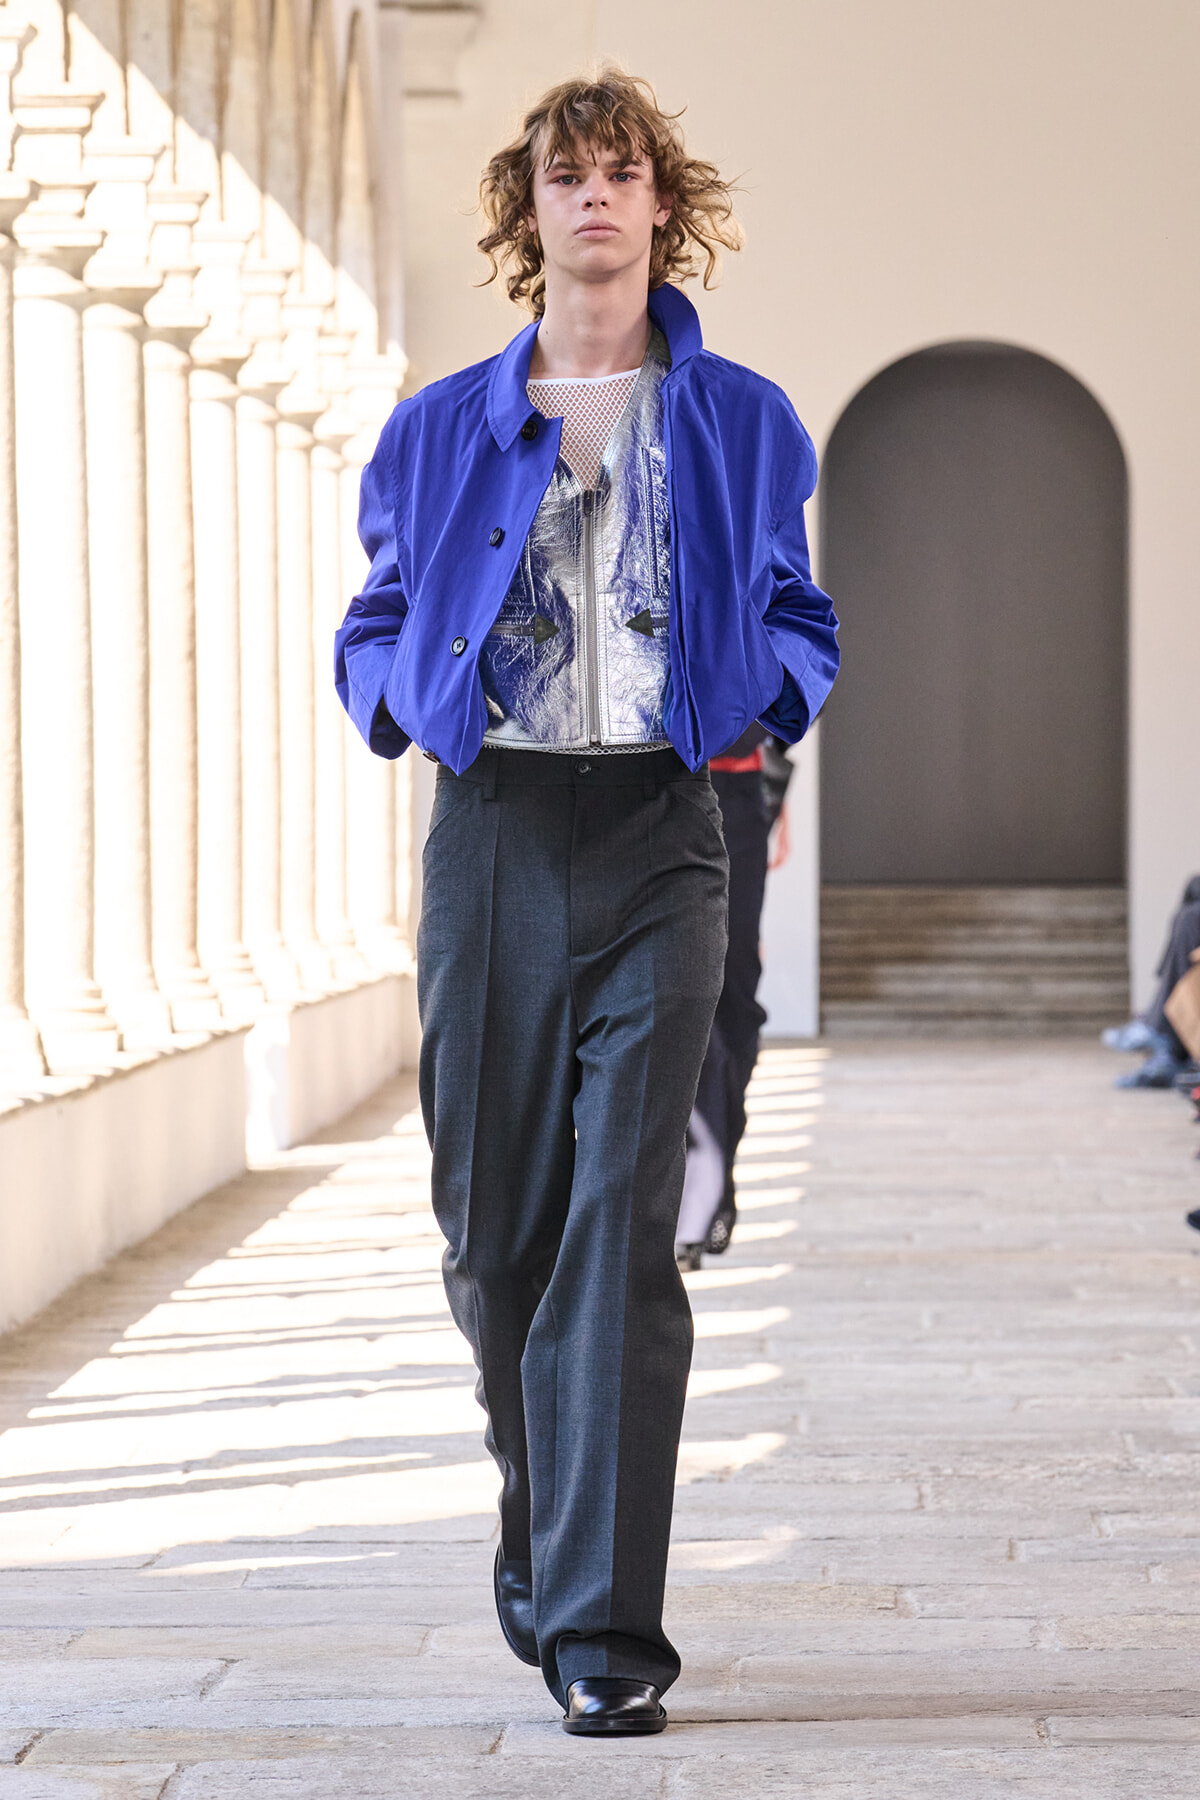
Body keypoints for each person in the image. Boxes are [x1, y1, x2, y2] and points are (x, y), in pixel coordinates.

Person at [334, 69, 838, 1737]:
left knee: (626, 1229)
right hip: (488, 832)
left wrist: (755, 698)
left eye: (624, 172)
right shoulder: (434, 425)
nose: (596, 197)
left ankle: (606, 1631)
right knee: (496, 1233)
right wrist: (400, 702)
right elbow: (376, 617)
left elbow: (800, 614)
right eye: (568, 174)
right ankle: (540, 1522)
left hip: (656, 833)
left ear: (663, 206)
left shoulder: (745, 417)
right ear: (530, 208)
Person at [675, 731, 792, 1269]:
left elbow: (789, 663)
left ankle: (716, 1172)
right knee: (680, 992)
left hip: (738, 790)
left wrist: (778, 799)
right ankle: (691, 1196)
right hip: (649, 785)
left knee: (735, 1000)